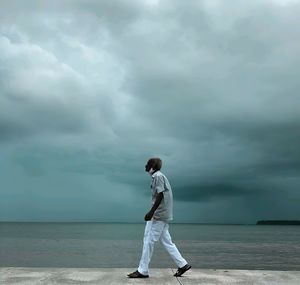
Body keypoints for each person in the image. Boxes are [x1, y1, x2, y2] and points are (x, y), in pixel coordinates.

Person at [127, 157, 191, 278]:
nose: (145, 166)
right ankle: (183, 264)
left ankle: (142, 270)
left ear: (152, 166)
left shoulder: (157, 176)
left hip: (158, 215)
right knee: (167, 242)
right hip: (163, 215)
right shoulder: (158, 176)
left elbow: (160, 195)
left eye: (147, 164)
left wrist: (151, 212)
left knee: (148, 241)